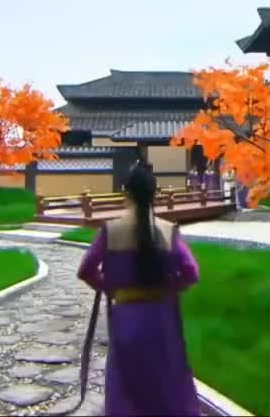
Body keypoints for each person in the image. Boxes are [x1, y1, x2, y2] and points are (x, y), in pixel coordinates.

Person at [76, 160, 202, 416]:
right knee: (166, 378)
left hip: (127, 316)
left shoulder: (111, 231)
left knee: (127, 382)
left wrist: (110, 288)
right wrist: (169, 288)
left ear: (127, 192)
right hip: (162, 319)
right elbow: (191, 271)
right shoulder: (168, 231)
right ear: (154, 193)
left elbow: (86, 270)